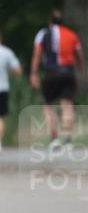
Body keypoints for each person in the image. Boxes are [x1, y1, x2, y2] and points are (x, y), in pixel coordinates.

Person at [31, 10, 84, 149]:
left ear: (50, 21)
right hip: (68, 73)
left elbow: (37, 54)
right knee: (67, 106)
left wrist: (34, 73)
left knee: (48, 106)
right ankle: (68, 139)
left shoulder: (43, 34)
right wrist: (80, 68)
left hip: (51, 73)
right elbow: (79, 55)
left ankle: (54, 138)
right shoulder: (72, 34)